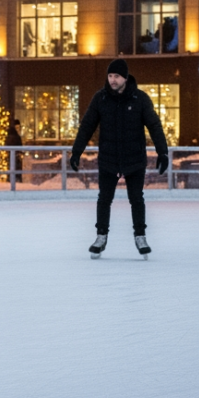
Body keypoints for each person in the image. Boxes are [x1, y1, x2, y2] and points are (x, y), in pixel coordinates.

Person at [70, 58, 169, 260]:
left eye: (116, 76)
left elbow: (154, 126)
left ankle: (140, 236)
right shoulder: (101, 99)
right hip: (108, 159)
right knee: (104, 200)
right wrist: (76, 152)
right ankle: (101, 237)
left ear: (125, 77)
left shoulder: (139, 99)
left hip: (134, 159)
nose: (112, 80)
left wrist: (163, 152)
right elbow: (87, 125)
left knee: (136, 199)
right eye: (110, 76)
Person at [4, 118, 24, 186]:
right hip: (16, 155)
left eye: (19, 127)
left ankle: (10, 178)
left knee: (11, 166)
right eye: (17, 127)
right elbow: (19, 145)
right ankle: (16, 179)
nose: (18, 129)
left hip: (11, 155)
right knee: (16, 167)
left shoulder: (9, 136)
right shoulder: (16, 137)